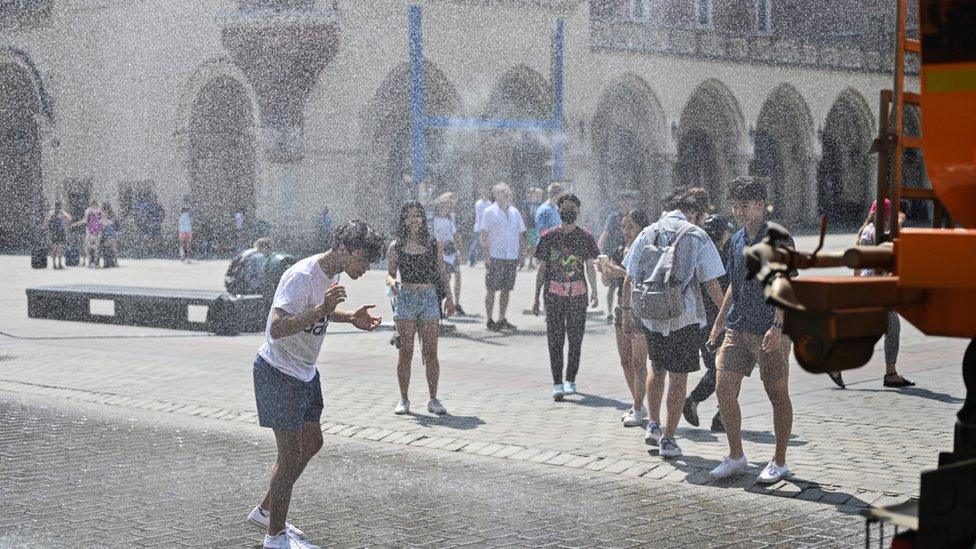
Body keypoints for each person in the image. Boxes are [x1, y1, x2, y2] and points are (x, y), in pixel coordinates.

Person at [248, 220, 384, 549]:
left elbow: (315, 312)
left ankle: (267, 512)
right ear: (345, 250)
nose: (366, 268)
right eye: (364, 260)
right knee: (289, 453)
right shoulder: (302, 275)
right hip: (278, 371)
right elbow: (277, 328)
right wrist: (323, 309)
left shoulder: (332, 273)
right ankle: (275, 538)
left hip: (305, 372)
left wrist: (347, 316)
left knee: (312, 442)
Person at [620, 187, 725, 458]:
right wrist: (725, 314)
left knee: (657, 366)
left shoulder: (648, 231)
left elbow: (630, 276)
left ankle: (653, 425)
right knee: (679, 378)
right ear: (692, 212)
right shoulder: (696, 235)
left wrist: (626, 311)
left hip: (651, 313)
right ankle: (668, 439)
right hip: (684, 316)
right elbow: (711, 281)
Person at [707, 177, 795, 484]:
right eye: (734, 205)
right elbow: (734, 282)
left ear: (760, 205)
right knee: (724, 389)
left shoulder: (777, 237)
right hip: (738, 326)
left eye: (744, 205)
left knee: (776, 392)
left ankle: (779, 460)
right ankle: (736, 456)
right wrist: (719, 322)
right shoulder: (736, 240)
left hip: (770, 329)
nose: (738, 211)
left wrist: (778, 324)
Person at [827, 199, 914, 389]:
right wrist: (898, 225)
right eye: (889, 215)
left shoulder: (866, 230)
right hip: (874, 287)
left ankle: (887, 372)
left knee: (884, 328)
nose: (890, 219)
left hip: (871, 286)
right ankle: (888, 373)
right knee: (886, 327)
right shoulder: (872, 231)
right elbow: (883, 244)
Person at [386, 202, 455, 415]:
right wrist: (391, 283)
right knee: (405, 352)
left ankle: (433, 399)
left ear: (424, 219)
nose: (414, 220)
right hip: (405, 297)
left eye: (418, 216)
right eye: (409, 216)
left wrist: (449, 297)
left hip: (428, 297)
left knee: (431, 351)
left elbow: (442, 272)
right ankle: (404, 399)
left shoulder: (434, 244)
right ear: (403, 220)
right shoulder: (396, 246)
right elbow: (389, 274)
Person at [533, 194, 600, 401]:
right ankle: (557, 383)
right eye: (564, 208)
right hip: (553, 295)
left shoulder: (586, 237)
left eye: (572, 208)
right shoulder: (548, 237)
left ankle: (571, 378)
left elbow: (590, 265)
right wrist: (535, 297)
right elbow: (542, 268)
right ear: (558, 211)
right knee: (555, 339)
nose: (568, 211)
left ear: (578, 211)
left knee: (575, 339)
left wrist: (595, 291)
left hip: (578, 295)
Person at [684, 213, 736, 432]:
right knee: (725, 368)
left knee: (720, 368)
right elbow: (720, 288)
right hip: (716, 320)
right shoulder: (720, 255)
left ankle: (720, 415)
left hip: (696, 320)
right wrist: (727, 316)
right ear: (724, 234)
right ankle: (697, 403)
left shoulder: (697, 252)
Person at [599, 209, 651, 426]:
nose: (625, 231)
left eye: (630, 226)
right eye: (623, 227)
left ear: (641, 227)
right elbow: (607, 284)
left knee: (640, 362)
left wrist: (621, 273)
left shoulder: (649, 249)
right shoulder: (620, 250)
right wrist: (606, 273)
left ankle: (638, 408)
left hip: (640, 307)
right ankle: (637, 402)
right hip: (622, 307)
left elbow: (647, 278)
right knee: (625, 360)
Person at [477, 183, 526, 332]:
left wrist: (521, 254)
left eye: (507, 192)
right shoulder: (489, 212)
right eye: (502, 192)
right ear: (496, 195)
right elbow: (484, 235)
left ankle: (502, 318)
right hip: (495, 255)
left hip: (510, 256)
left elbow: (520, 234)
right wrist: (486, 256)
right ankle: (490, 319)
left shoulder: (515, 212)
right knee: (491, 289)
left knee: (506, 289)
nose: (506, 194)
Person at [599, 190, 639, 324]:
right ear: (619, 202)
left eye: (629, 200)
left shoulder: (635, 216)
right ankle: (610, 312)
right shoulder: (613, 217)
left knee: (629, 281)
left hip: (632, 251)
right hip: (616, 252)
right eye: (624, 200)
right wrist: (599, 250)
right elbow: (605, 233)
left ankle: (630, 309)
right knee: (612, 285)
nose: (627, 203)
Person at [431, 192, 464, 316]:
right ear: (439, 206)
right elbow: (433, 237)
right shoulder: (434, 220)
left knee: (458, 276)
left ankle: (457, 303)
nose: (447, 208)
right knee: (446, 278)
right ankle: (442, 303)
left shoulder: (450, 219)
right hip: (441, 252)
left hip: (451, 251)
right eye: (445, 206)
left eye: (449, 206)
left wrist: (460, 250)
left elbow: (455, 235)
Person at [73, 200, 104, 268]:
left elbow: (85, 220)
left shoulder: (88, 210)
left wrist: (76, 224)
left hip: (90, 230)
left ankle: (91, 262)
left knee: (88, 247)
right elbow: (102, 221)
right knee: (96, 247)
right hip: (98, 231)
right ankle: (96, 262)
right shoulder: (100, 210)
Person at [468, 184, 492, 266]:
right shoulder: (478, 203)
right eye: (483, 193)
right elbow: (480, 216)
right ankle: (472, 259)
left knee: (486, 245)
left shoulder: (489, 203)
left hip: (487, 228)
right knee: (476, 244)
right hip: (479, 227)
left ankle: (487, 259)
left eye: (486, 193)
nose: (484, 195)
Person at [521, 187, 544, 270]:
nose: (537, 196)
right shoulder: (527, 204)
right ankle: (524, 260)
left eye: (539, 194)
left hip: (537, 227)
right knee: (531, 245)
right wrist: (524, 225)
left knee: (534, 245)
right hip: (530, 226)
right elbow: (524, 215)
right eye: (536, 194)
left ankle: (531, 261)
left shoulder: (540, 204)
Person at [45, 201, 71, 269]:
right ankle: (57, 264)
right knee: (58, 249)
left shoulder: (53, 212)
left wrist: (47, 228)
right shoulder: (58, 212)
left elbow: (46, 222)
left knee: (56, 249)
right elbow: (69, 218)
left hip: (55, 232)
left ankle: (56, 264)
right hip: (58, 232)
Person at [101, 202, 120, 267]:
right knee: (113, 249)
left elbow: (103, 225)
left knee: (106, 249)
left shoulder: (103, 214)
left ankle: (107, 262)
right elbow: (117, 225)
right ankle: (114, 262)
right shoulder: (113, 215)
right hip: (112, 233)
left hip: (106, 234)